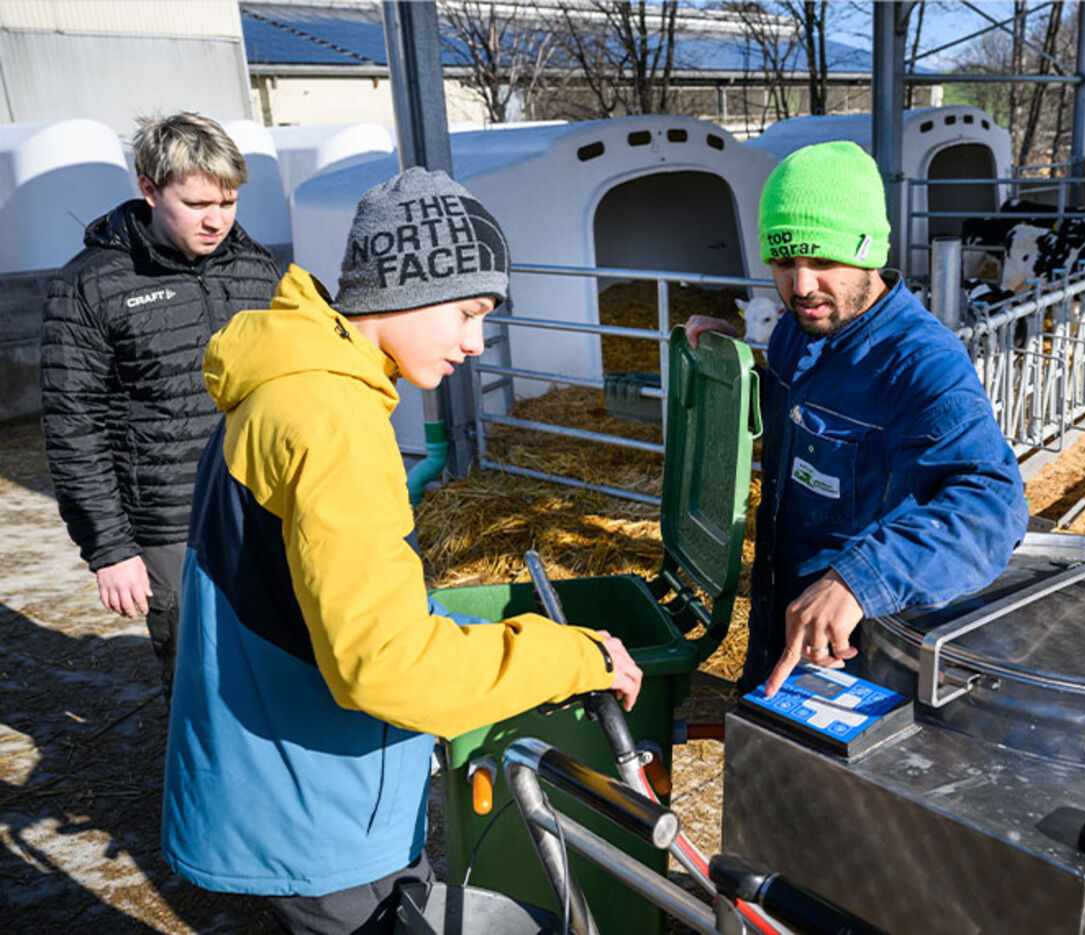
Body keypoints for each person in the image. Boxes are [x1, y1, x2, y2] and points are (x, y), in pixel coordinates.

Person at [161, 166, 643, 935]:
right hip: (321, 807)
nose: (476, 341)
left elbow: (321, 600)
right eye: (466, 311)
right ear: (402, 287)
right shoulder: (334, 421)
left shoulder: (287, 385)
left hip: (285, 781)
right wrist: (571, 657)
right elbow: (383, 665)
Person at [687, 141, 1028, 697]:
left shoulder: (922, 364)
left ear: (869, 251)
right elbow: (806, 413)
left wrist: (860, 581)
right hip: (783, 615)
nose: (800, 286)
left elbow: (994, 501)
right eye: (783, 261)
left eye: (822, 260)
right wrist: (742, 364)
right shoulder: (800, 330)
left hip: (859, 650)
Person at [40, 112, 281, 699]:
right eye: (197, 203)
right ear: (148, 188)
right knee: (199, 683)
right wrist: (111, 550)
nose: (217, 219)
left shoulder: (260, 270)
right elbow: (75, 429)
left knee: (279, 669)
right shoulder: (91, 286)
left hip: (268, 508)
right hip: (173, 526)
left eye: (228, 202)